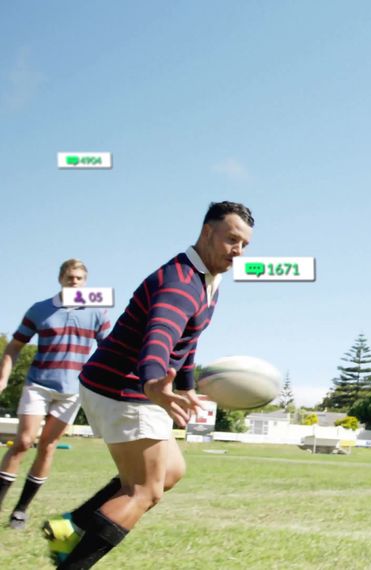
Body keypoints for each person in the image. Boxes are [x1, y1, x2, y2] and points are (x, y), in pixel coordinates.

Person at [41, 201, 254, 569]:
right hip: (124, 390)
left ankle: (70, 525)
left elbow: (188, 339)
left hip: (119, 385)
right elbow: (160, 336)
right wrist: (154, 380)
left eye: (245, 245)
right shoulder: (181, 284)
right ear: (207, 233)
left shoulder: (207, 280)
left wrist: (185, 385)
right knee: (144, 490)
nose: (238, 251)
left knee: (170, 471)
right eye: (232, 240)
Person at [0, 260, 110, 530]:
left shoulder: (97, 312)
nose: (75, 282)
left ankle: (20, 511)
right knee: (24, 442)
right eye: (70, 277)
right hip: (38, 384)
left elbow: (109, 349)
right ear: (61, 279)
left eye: (80, 278)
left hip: (72, 391)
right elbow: (14, 347)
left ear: (86, 282)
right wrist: (3, 378)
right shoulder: (40, 310)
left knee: (48, 447)